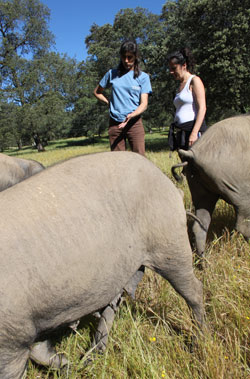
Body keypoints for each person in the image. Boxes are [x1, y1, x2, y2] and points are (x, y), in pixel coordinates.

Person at [94, 40, 152, 156]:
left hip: (134, 123)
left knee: (140, 159)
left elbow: (144, 104)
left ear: (136, 57)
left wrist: (132, 115)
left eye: (130, 57)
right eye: (123, 57)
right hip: (115, 124)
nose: (126, 60)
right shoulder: (112, 74)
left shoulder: (143, 77)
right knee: (118, 162)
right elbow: (97, 92)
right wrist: (108, 102)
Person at [167, 48, 207, 151]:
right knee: (187, 165)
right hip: (182, 132)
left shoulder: (194, 80)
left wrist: (194, 133)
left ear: (184, 65)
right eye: (170, 69)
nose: (171, 72)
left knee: (197, 165)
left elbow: (202, 108)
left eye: (174, 68)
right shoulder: (179, 86)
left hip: (193, 131)